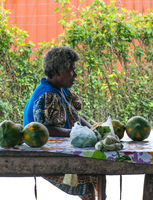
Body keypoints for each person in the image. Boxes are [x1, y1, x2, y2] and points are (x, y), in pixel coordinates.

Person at [23, 46, 98, 200]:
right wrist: (77, 133)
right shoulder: (48, 94)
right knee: (88, 184)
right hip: (44, 156)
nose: (75, 75)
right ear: (57, 71)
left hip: (59, 150)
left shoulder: (60, 89)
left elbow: (75, 115)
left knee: (97, 174)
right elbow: (47, 130)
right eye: (71, 70)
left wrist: (92, 129)